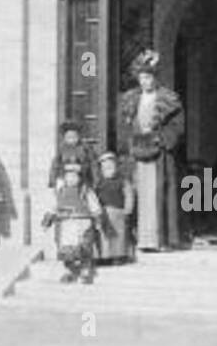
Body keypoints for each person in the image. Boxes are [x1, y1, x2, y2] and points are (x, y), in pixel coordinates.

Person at [117, 49, 185, 252]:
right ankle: (140, 240)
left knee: (158, 193)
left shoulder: (168, 100)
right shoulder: (131, 100)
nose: (145, 82)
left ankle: (159, 240)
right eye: (142, 78)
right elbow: (124, 127)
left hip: (158, 155)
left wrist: (159, 138)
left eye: (148, 77)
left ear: (155, 78)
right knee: (138, 193)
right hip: (138, 154)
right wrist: (132, 139)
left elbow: (177, 127)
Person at [41, 160, 102, 284]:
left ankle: (85, 271)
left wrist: (98, 219)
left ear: (80, 177)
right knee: (67, 250)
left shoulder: (85, 191)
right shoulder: (60, 191)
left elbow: (94, 206)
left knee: (84, 247)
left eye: (75, 176)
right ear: (64, 177)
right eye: (69, 176)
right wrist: (47, 220)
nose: (72, 179)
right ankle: (68, 271)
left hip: (83, 223)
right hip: (66, 225)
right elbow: (53, 207)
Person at [93, 151, 136, 264]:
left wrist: (128, 209)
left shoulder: (122, 181)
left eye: (111, 167)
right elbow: (94, 197)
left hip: (118, 212)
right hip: (104, 213)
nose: (109, 170)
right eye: (106, 168)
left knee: (119, 235)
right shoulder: (99, 183)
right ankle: (105, 257)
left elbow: (129, 195)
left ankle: (118, 256)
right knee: (105, 236)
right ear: (102, 170)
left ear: (116, 167)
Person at [48, 120, 99, 190]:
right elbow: (55, 165)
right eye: (69, 137)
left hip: (83, 180)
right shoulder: (62, 150)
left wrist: (83, 168)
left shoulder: (85, 149)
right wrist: (53, 180)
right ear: (65, 138)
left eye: (74, 137)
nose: (72, 140)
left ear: (79, 136)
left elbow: (93, 163)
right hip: (66, 181)